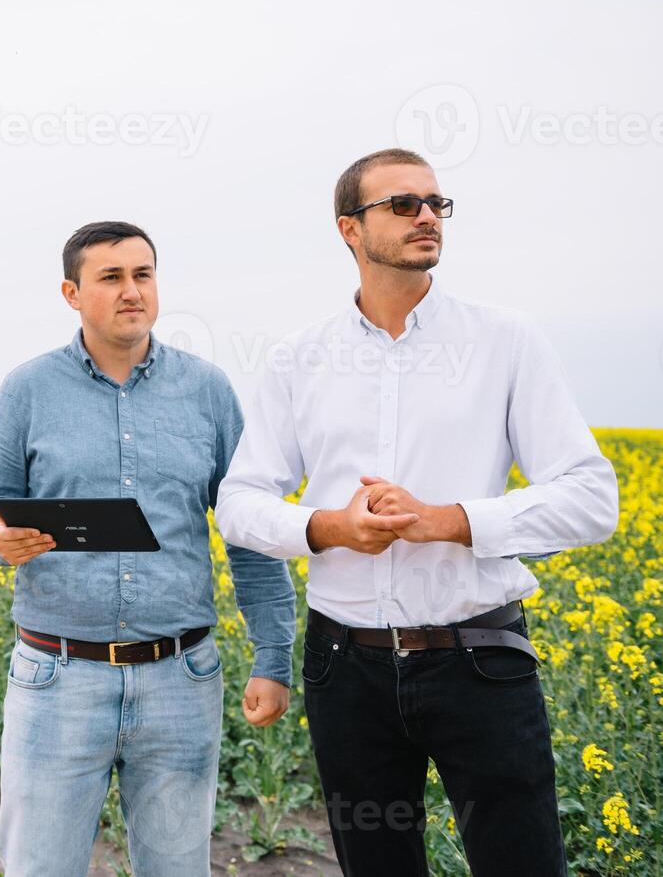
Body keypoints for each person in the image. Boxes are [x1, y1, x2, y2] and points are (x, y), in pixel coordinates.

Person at [214, 148, 619, 876]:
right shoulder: (298, 358)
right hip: (345, 667)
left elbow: (592, 500)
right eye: (402, 205)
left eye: (436, 203)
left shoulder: (505, 341)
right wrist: (326, 528)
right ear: (349, 229)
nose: (427, 216)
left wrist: (449, 520)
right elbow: (239, 504)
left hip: (480, 662)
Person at [0, 221, 296, 877]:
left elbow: (250, 531)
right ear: (72, 293)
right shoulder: (29, 390)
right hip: (56, 678)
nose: (132, 290)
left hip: (180, 679)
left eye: (144, 274)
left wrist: (273, 655)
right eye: (111, 277)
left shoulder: (209, 392)